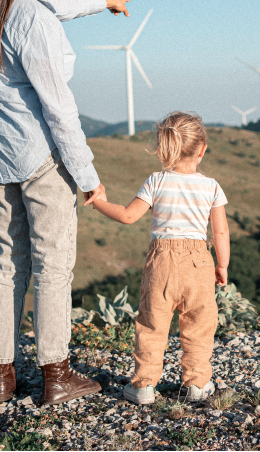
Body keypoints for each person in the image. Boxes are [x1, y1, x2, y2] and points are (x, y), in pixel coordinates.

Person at [0, 0, 132, 405]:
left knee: (9, 261)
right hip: (36, 154)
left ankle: (1, 376)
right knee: (54, 265)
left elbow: (53, 2)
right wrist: (89, 179)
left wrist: (104, 3)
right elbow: (59, 108)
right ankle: (56, 374)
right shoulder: (36, 23)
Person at [89, 111, 230, 404]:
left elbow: (128, 216)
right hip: (199, 261)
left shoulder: (156, 181)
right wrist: (222, 265)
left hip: (162, 262)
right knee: (199, 325)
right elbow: (221, 233)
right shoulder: (212, 186)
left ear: (166, 146)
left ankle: (143, 387)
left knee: (152, 324)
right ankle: (197, 384)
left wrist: (99, 203)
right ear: (202, 149)